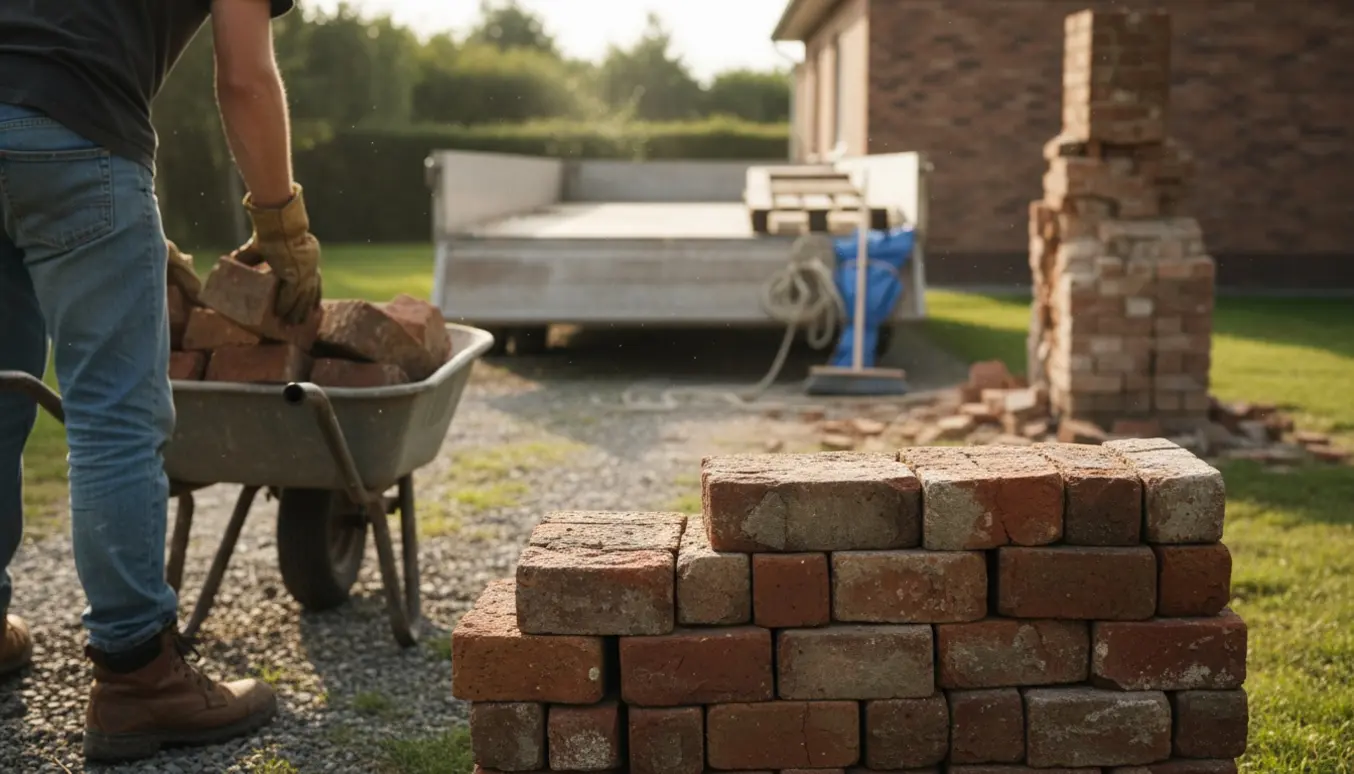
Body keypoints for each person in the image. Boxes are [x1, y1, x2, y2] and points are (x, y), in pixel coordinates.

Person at [0, 0, 322, 762]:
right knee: (112, 414)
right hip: (76, 132)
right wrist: (281, 222)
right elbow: (244, 76)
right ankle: (139, 675)